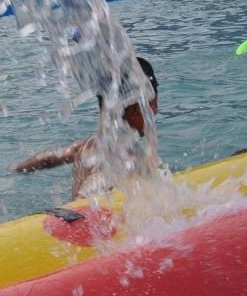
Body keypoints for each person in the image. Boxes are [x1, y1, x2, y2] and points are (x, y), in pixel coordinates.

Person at [13, 56, 159, 200]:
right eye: (152, 104)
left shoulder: (87, 145)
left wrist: (20, 167)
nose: (156, 110)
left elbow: (51, 157)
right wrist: (83, 199)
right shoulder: (125, 158)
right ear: (136, 109)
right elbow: (97, 181)